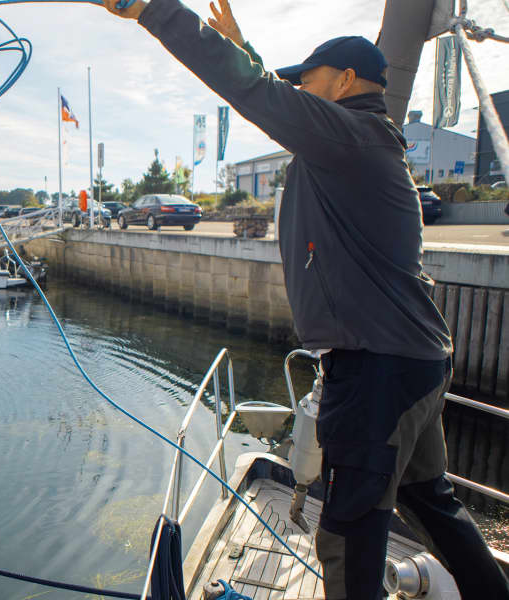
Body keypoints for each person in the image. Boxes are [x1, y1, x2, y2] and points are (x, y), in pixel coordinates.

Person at [102, 0, 509, 598]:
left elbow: (262, 98)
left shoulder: (350, 137)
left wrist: (154, 10)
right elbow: (282, 102)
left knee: (348, 531)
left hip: (377, 368)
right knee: (428, 499)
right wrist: (248, 55)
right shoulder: (356, 139)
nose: (297, 91)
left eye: (309, 80)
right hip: (414, 361)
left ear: (345, 82)